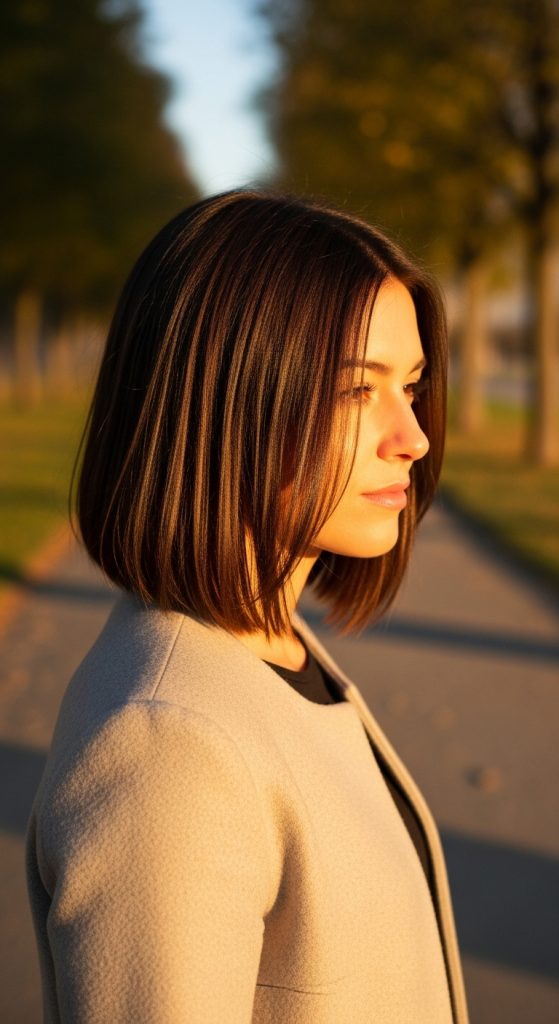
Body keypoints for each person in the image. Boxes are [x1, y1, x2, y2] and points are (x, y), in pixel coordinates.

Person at [25, 188, 470, 1023]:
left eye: (409, 385)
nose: (411, 434)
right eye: (354, 390)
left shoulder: (267, 646)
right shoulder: (167, 747)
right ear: (223, 401)